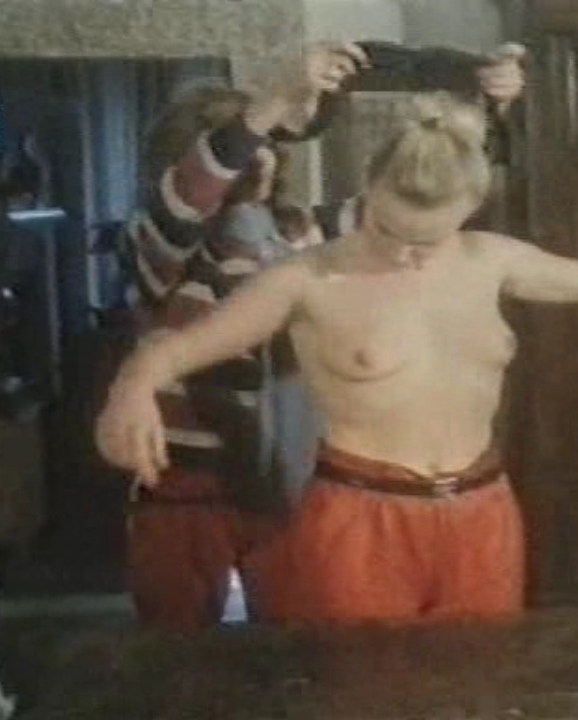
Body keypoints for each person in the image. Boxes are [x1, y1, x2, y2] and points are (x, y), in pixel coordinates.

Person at [97, 91, 578, 626]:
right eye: (387, 229)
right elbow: (177, 349)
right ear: (368, 189)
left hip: (482, 513)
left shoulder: (491, 260)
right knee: (358, 699)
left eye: (429, 239)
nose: (406, 254)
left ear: (470, 209)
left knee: (478, 695)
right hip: (358, 519)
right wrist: (133, 385)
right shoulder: (307, 276)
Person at [116, 42, 527, 632]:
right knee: (179, 655)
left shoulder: (298, 235)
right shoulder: (160, 242)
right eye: (245, 141)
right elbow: (194, 191)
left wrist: (487, 107)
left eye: (267, 142)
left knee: (293, 646)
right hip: (187, 489)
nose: (262, 153)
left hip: (283, 482)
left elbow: (417, 196)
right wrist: (275, 101)